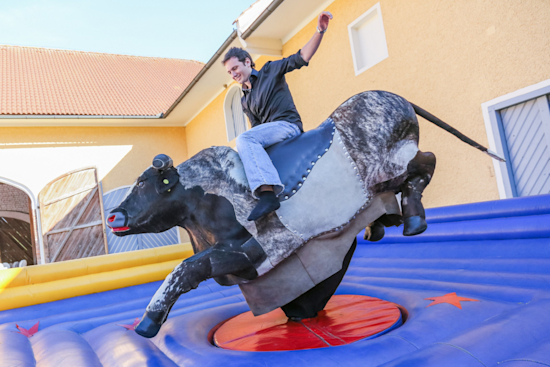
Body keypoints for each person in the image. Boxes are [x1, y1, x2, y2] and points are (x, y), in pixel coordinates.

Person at [223, 11, 333, 221]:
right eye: (229, 72)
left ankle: (267, 195)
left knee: (244, 138)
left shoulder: (270, 70)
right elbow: (257, 131)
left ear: (247, 62)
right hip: (270, 135)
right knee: (240, 149)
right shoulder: (244, 100)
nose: (233, 74)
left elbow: (302, 57)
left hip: (288, 126)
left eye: (235, 68)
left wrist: (320, 30)